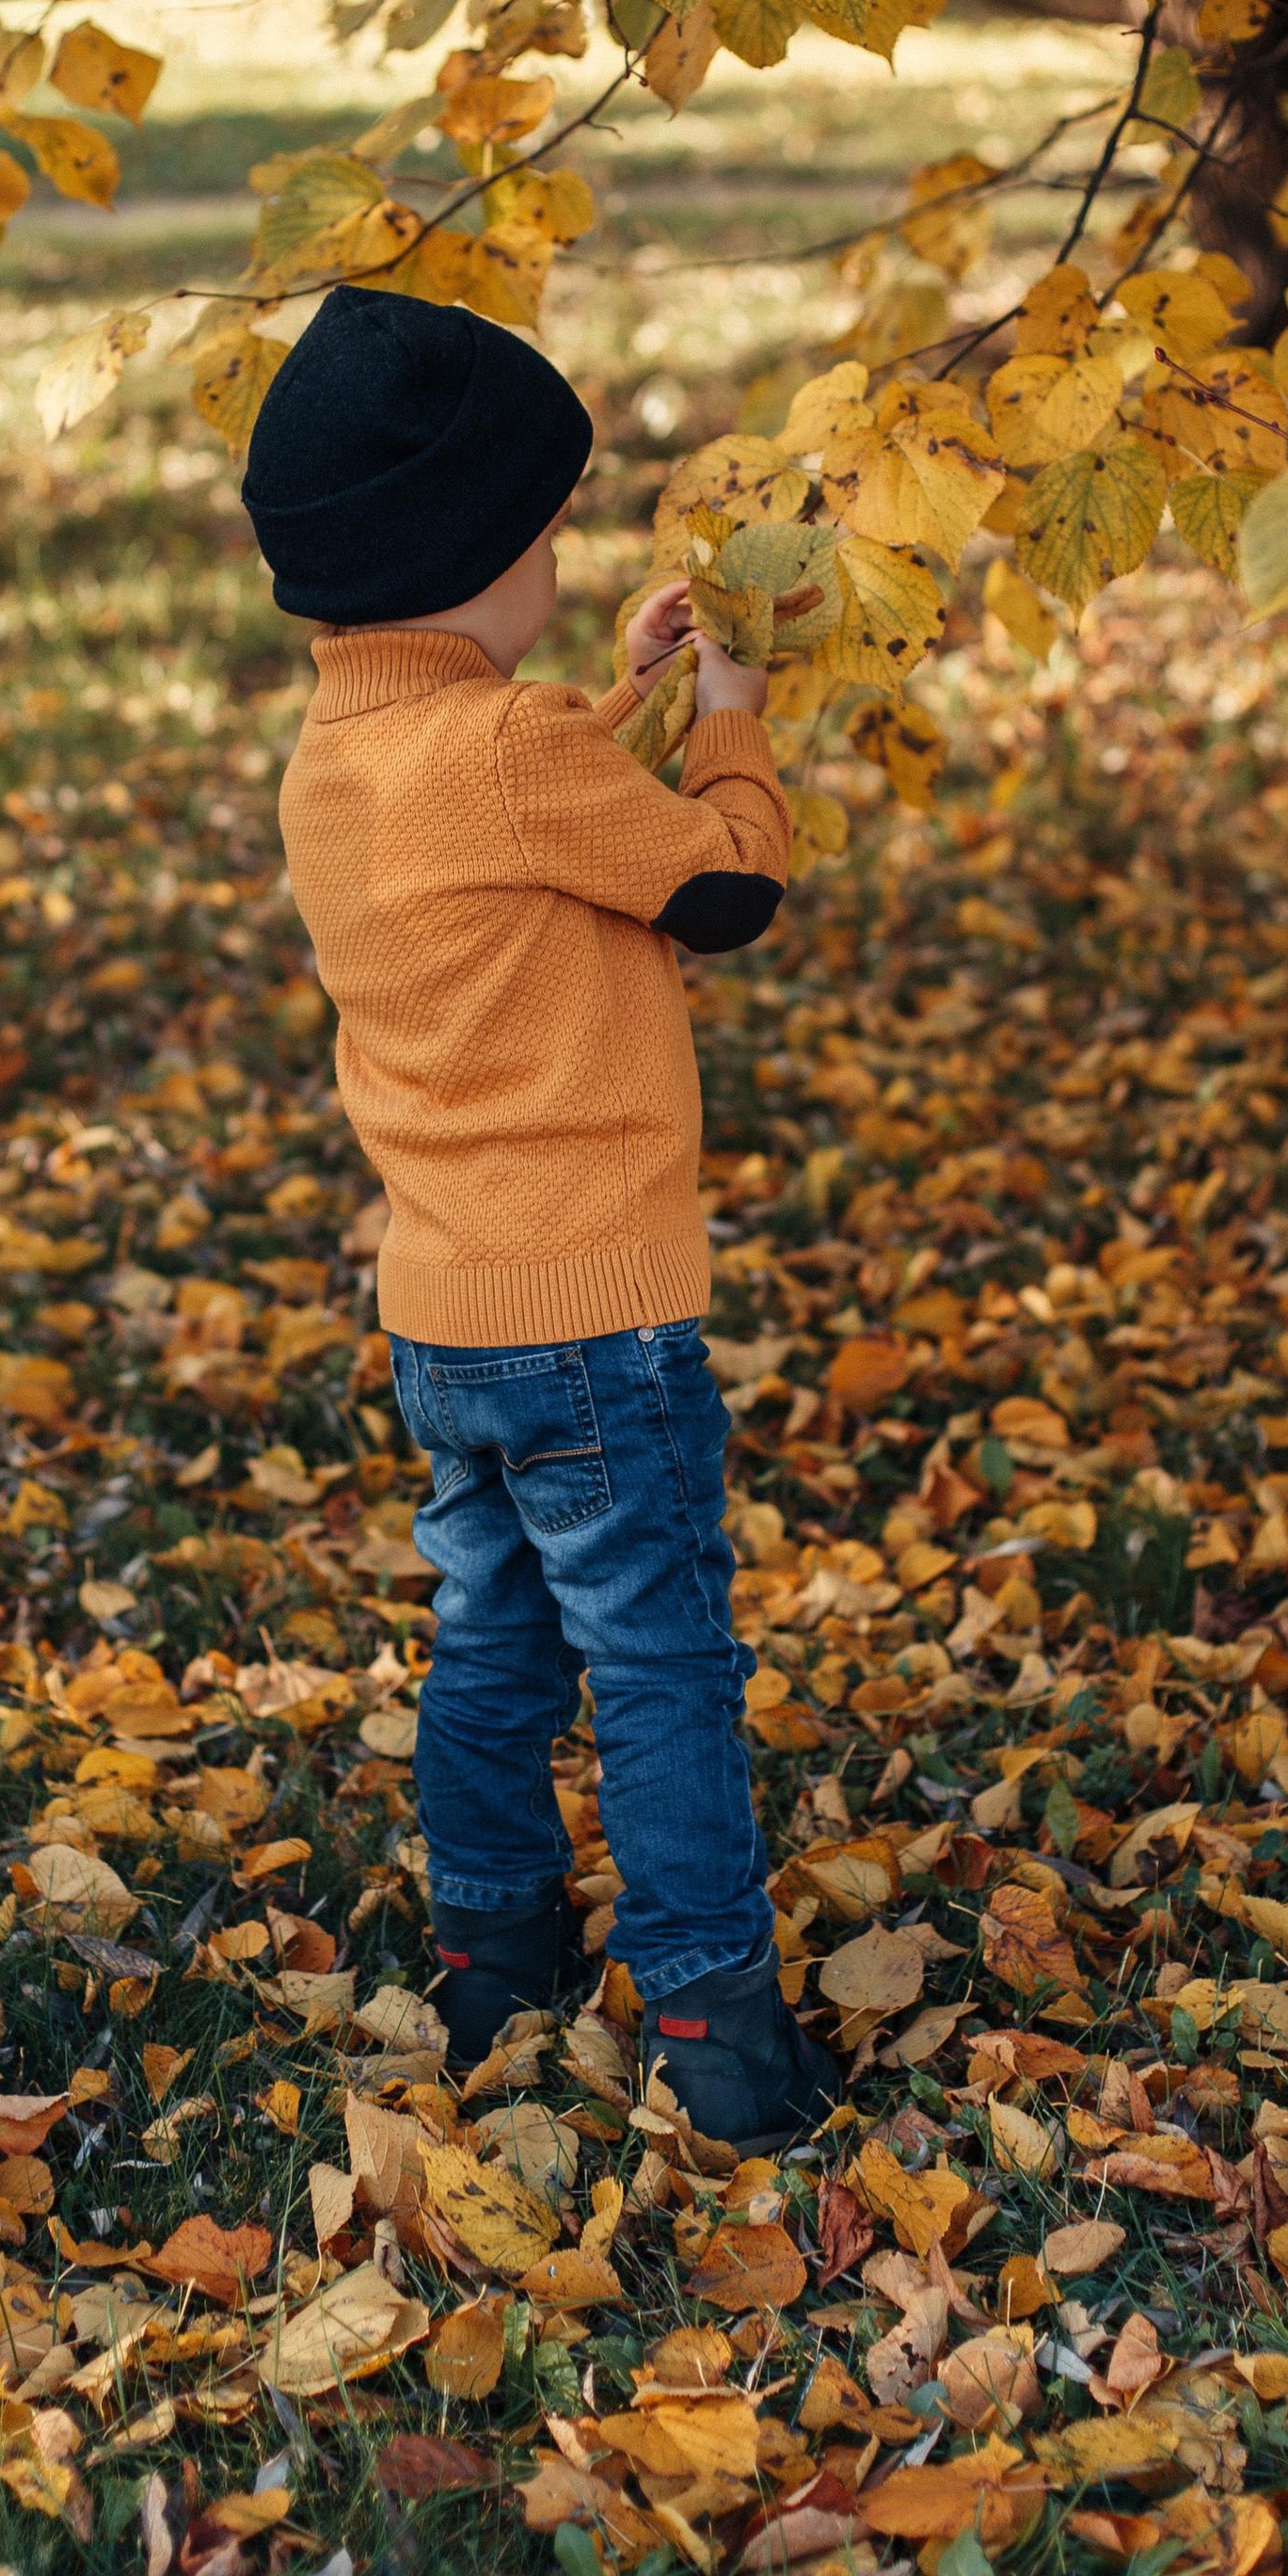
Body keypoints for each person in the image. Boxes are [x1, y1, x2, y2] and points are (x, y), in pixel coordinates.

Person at [241, 280, 839, 2144]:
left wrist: (628, 696)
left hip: (446, 1316)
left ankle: (492, 1954)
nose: (562, 560)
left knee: (494, 1629)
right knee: (657, 1652)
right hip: (599, 1314)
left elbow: (499, 803)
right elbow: (720, 887)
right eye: (547, 533)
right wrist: (729, 720)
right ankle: (710, 2022)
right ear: (466, 552)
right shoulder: (513, 757)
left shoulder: (336, 761)